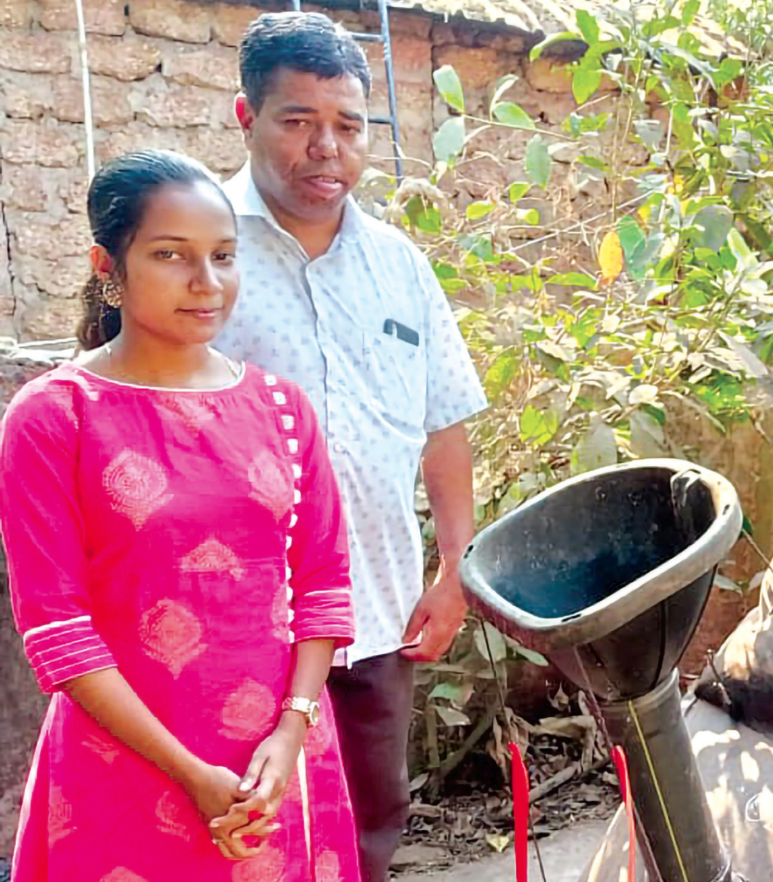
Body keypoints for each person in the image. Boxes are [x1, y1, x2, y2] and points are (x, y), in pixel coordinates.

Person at [0, 149, 360, 879]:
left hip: (275, 766)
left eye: (223, 257)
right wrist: (190, 773)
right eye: (171, 255)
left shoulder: (282, 408)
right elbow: (57, 628)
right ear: (109, 263)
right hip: (123, 764)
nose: (207, 283)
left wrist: (292, 730)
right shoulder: (54, 417)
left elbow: (323, 582)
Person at [217, 13, 489, 879]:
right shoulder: (198, 252)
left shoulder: (400, 265)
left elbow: (444, 421)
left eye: (348, 126)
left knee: (371, 822)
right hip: (237, 616)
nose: (325, 148)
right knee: (240, 825)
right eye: (298, 121)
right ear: (245, 118)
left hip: (373, 607)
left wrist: (453, 568)